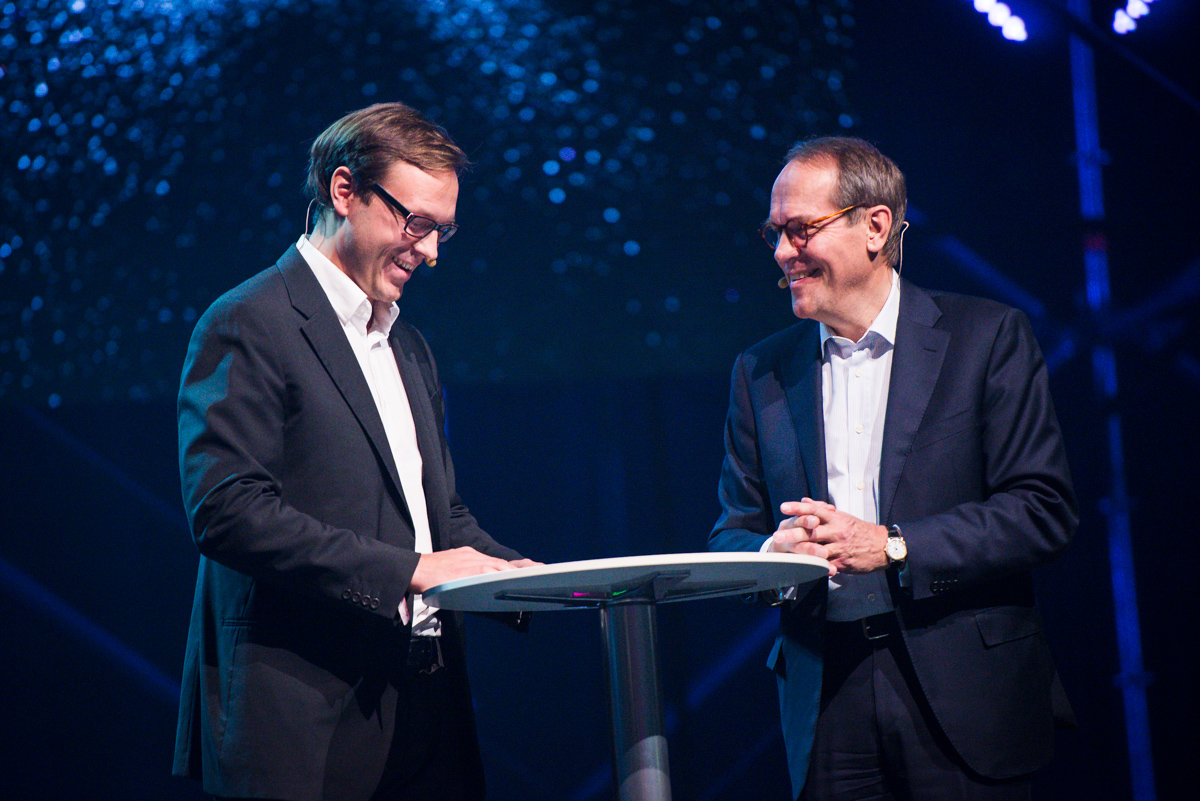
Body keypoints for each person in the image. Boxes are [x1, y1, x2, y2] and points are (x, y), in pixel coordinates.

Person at [172, 102, 535, 801]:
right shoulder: (249, 320)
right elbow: (227, 510)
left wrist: (525, 583)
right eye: (417, 222)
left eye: (442, 231)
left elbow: (438, 515)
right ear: (344, 191)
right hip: (303, 718)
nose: (431, 251)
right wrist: (410, 571)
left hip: (426, 710)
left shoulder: (408, 344)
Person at [709, 137, 1077, 800]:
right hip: (827, 696)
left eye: (801, 229)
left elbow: (1040, 510)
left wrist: (893, 545)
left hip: (965, 690)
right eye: (775, 233)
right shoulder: (760, 370)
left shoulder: (985, 337)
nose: (783, 252)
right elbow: (729, 535)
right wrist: (771, 555)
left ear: (875, 226)